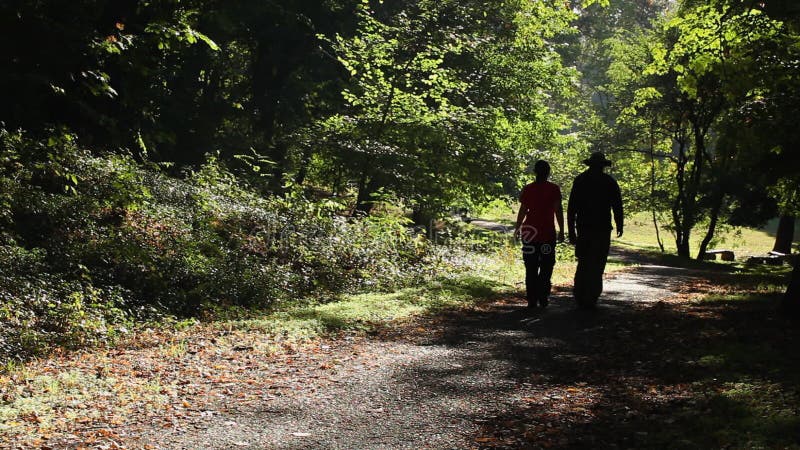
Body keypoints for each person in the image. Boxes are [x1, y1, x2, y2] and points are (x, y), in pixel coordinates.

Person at [567, 151, 624, 309]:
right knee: (598, 262)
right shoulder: (609, 182)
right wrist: (619, 223)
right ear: (602, 166)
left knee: (584, 261)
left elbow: (572, 208)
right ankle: (591, 295)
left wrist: (571, 230)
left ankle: (581, 293)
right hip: (602, 228)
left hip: (584, 228)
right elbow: (617, 205)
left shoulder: (580, 180)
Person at [514, 160, 565, 309]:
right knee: (546, 265)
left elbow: (523, 210)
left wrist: (517, 229)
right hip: (547, 235)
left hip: (529, 234)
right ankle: (542, 296)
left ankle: (532, 299)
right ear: (548, 172)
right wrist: (561, 230)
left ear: (535, 172)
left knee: (530, 266)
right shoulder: (554, 189)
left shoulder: (528, 189)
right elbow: (558, 211)